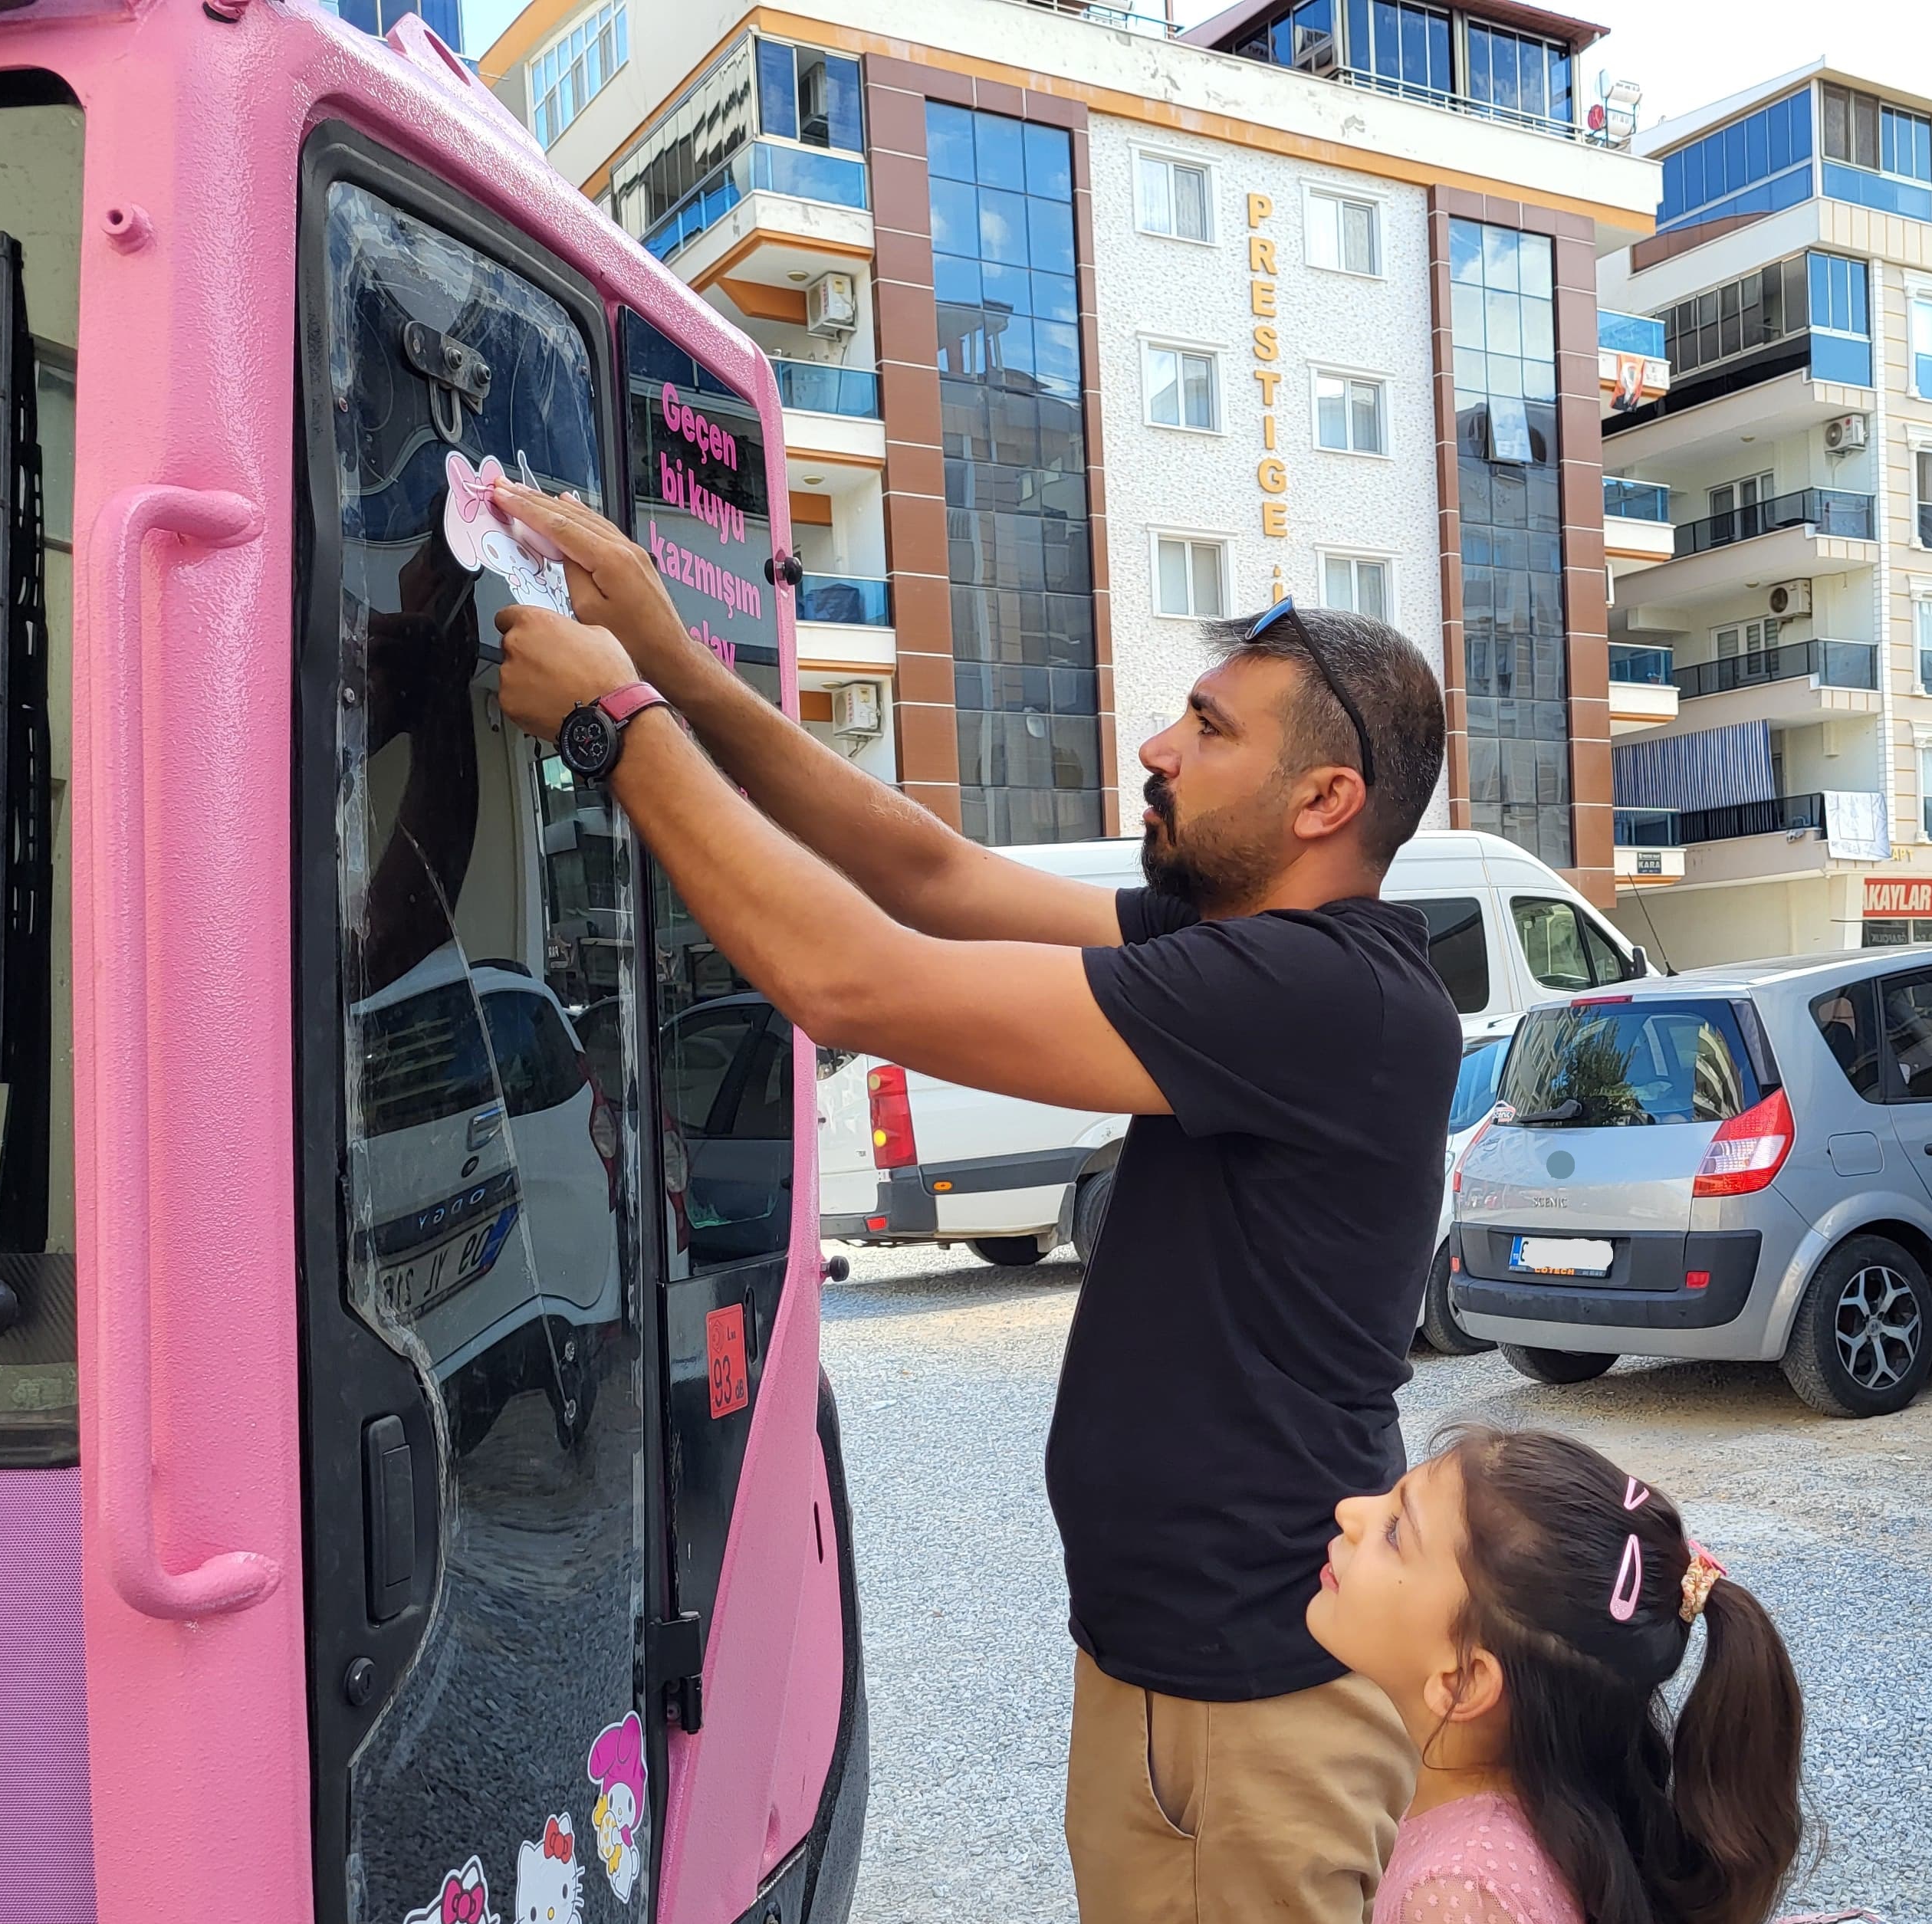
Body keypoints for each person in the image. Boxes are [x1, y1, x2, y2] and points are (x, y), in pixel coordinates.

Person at [487, 483, 1460, 1924]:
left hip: (1257, 1711)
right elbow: (927, 875)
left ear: (1327, 802)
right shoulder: (1238, 949)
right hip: (1173, 1678)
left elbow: (856, 981)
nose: (1156, 748)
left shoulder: (1328, 996)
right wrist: (677, 672)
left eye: (1207, 728)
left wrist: (614, 731)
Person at [1307, 1426, 1807, 1924]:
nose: (1350, 1512)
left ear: (1465, 1681)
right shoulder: (1543, 1812)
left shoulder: (1459, 1894)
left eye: (1395, 1532)